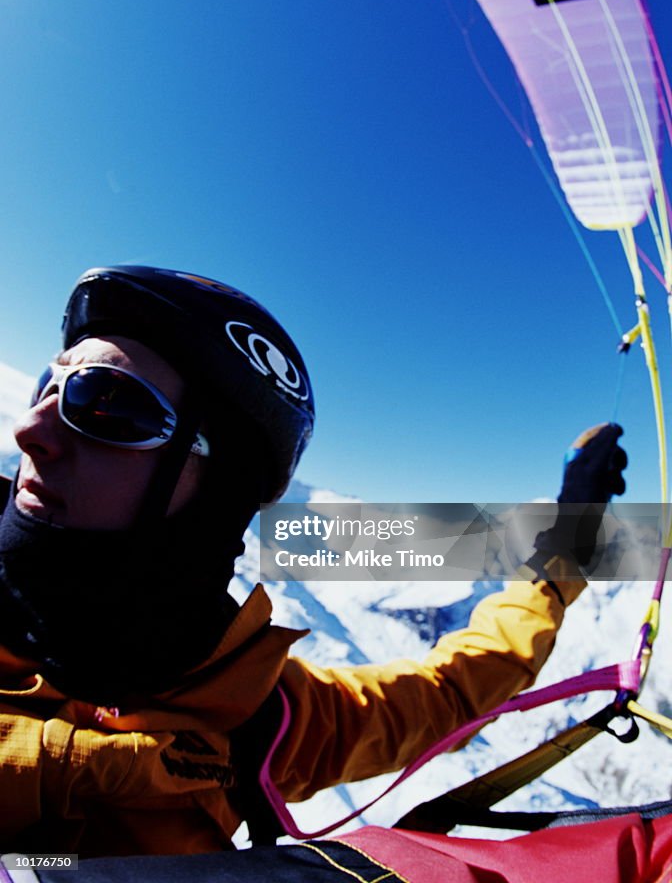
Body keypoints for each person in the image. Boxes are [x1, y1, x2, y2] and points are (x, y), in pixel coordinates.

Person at [0, 265, 626, 858]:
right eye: (46, 387)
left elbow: (445, 692)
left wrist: (562, 554)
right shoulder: (245, 717)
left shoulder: (249, 716)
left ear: (218, 491)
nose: (31, 427)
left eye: (105, 403)